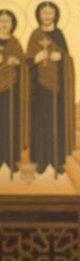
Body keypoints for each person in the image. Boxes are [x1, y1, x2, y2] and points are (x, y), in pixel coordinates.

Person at [26, 1, 75, 177]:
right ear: (39, 15)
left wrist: (60, 57)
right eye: (44, 13)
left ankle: (56, 160)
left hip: (57, 89)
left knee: (56, 123)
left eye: (50, 13)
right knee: (41, 123)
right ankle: (41, 160)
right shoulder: (35, 35)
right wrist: (35, 59)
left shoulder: (59, 35)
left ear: (55, 15)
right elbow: (27, 63)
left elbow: (68, 61)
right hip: (39, 88)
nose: (47, 16)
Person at [0, 9, 24, 178]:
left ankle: (11, 159)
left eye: (7, 21)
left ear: (12, 24)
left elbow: (24, 63)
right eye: (1, 20)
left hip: (11, 89)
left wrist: (17, 62)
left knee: (10, 123)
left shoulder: (15, 42)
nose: (4, 24)